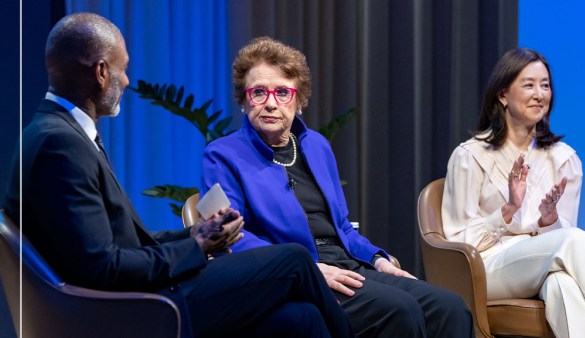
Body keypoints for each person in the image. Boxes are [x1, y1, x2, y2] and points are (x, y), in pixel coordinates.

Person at [3, 13, 355, 338]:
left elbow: (119, 243)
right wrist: (197, 247)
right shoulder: (60, 143)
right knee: (292, 259)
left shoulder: (58, 132)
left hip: (133, 293)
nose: (126, 80)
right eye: (123, 69)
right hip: (128, 309)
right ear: (101, 72)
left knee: (301, 318)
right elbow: (103, 267)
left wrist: (196, 233)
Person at [201, 36, 474, 338]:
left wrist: (377, 259)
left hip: (346, 265)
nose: (270, 103)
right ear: (243, 100)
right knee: (400, 309)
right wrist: (305, 268)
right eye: (258, 93)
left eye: (282, 92)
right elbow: (231, 237)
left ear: (299, 100)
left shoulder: (316, 146)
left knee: (449, 306)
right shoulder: (223, 155)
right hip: (292, 277)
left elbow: (342, 226)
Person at [442, 47, 585, 338]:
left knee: (561, 285)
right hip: (485, 269)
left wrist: (548, 220)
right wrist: (507, 210)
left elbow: (562, 243)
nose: (540, 94)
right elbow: (459, 240)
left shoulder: (564, 159)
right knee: (575, 241)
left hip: (542, 264)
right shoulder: (469, 156)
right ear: (503, 95)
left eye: (545, 85)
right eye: (529, 85)